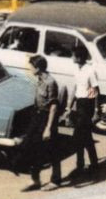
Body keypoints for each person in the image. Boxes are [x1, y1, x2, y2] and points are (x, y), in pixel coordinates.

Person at [20, 55, 64, 189]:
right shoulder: (39, 79)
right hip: (37, 115)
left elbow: (54, 107)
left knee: (51, 149)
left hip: (47, 118)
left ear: (38, 68)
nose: (29, 68)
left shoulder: (50, 82)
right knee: (30, 145)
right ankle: (35, 179)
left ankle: (55, 181)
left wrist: (48, 128)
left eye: (31, 66)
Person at [69, 50, 101, 179]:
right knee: (86, 137)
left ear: (79, 57)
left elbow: (96, 91)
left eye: (73, 55)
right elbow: (75, 88)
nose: (72, 57)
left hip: (87, 104)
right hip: (79, 104)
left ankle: (80, 165)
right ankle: (94, 163)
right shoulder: (77, 70)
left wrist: (96, 111)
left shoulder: (90, 71)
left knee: (78, 136)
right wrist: (69, 106)